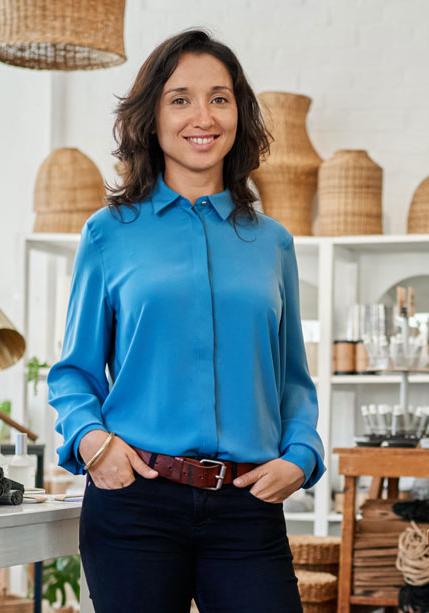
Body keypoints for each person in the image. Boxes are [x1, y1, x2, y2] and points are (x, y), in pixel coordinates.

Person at [48, 29, 322, 613]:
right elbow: (74, 372)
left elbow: (293, 379)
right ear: (151, 118)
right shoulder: (109, 232)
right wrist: (94, 444)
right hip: (136, 505)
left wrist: (302, 455)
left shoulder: (272, 243)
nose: (203, 116)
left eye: (219, 98)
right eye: (181, 99)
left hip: (248, 507)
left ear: (239, 115)